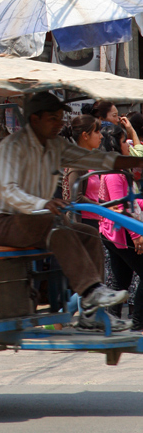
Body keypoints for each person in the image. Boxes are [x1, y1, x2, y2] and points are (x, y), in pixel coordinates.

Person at [0, 91, 143, 332]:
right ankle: (90, 292)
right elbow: (8, 191)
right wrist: (43, 204)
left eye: (60, 118)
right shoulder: (11, 148)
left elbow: (95, 160)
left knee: (87, 233)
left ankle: (91, 313)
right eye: (52, 119)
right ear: (35, 119)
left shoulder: (54, 145)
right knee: (55, 224)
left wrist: (133, 162)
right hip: (0, 224)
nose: (59, 124)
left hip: (32, 221)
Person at [99, 124, 143, 331]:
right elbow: (122, 206)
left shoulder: (114, 170)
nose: (128, 145)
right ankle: (138, 323)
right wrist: (136, 235)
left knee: (120, 280)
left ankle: (111, 323)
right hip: (121, 233)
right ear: (115, 144)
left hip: (112, 233)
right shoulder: (115, 173)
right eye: (124, 141)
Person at [62, 115, 103, 228]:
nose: (101, 136)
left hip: (92, 221)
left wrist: (107, 204)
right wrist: (102, 207)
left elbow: (91, 196)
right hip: (81, 224)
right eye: (97, 132)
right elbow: (77, 197)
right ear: (85, 135)